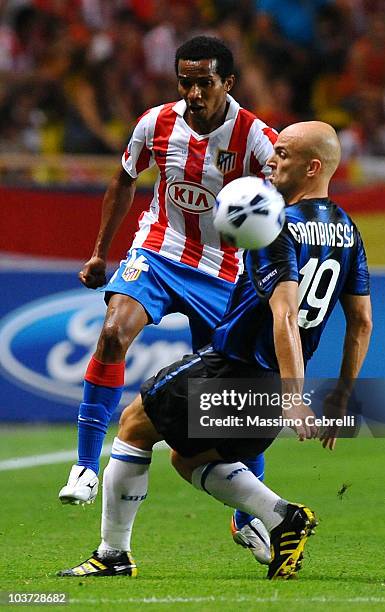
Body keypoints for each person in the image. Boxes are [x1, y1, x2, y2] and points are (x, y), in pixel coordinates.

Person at [58, 120, 372, 580]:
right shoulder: (348, 231)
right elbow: (361, 322)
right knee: (188, 458)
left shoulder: (274, 224)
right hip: (264, 393)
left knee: (132, 425)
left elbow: (283, 312)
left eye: (283, 154)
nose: (273, 160)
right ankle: (281, 516)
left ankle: (112, 555)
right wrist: (340, 397)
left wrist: (294, 395)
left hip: (236, 369)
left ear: (313, 167)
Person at [58, 35, 277, 564]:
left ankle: (250, 517)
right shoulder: (155, 123)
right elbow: (123, 179)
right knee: (112, 332)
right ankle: (86, 465)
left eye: (205, 82)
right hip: (158, 248)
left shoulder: (258, 139)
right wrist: (97, 253)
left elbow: (281, 209)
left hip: (224, 273)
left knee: (229, 406)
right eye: (186, 81)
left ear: (229, 83)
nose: (194, 92)